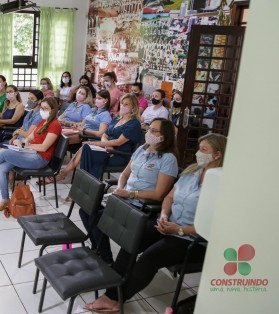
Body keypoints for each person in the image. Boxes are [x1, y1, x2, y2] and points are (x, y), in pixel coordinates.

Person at [84, 134, 227, 313]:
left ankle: (116, 299)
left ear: (218, 155)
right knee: (132, 241)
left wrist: (179, 229)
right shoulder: (193, 171)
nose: (198, 153)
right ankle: (113, 290)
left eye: (204, 150)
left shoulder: (222, 185)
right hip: (168, 224)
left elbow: (214, 225)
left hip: (192, 238)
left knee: (150, 258)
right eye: (199, 148)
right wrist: (164, 215)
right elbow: (169, 197)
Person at [80, 118, 178, 263]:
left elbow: (159, 195)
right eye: (149, 129)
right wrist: (120, 188)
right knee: (85, 210)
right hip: (124, 196)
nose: (148, 132)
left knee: (96, 216)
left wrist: (131, 194)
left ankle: (106, 259)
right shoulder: (142, 149)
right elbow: (125, 174)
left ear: (164, 136)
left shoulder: (168, 159)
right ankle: (98, 249)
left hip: (140, 203)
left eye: (153, 130)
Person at [0, 97, 62, 212]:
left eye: (46, 108)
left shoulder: (55, 125)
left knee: (4, 152)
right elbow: (30, 137)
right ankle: (5, 199)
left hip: (40, 158)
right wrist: (21, 142)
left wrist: (25, 146)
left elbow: (44, 147)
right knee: (1, 167)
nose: (43, 110)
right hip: (30, 152)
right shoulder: (42, 122)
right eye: (42, 108)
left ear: (53, 110)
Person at [57, 94, 143, 181]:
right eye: (122, 103)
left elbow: (118, 142)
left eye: (126, 104)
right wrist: (107, 146)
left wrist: (95, 143)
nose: (123, 106)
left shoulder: (134, 124)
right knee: (86, 148)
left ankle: (74, 175)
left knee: (87, 148)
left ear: (133, 107)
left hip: (118, 155)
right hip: (108, 150)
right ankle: (80, 179)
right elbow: (104, 135)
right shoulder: (117, 119)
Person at [0, 89, 44, 159]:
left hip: (24, 144)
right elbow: (22, 127)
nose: (29, 101)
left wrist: (17, 131)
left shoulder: (39, 116)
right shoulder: (30, 112)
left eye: (32, 99)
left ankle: (6, 168)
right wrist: (13, 138)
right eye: (29, 98)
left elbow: (27, 135)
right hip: (17, 140)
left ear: (39, 101)